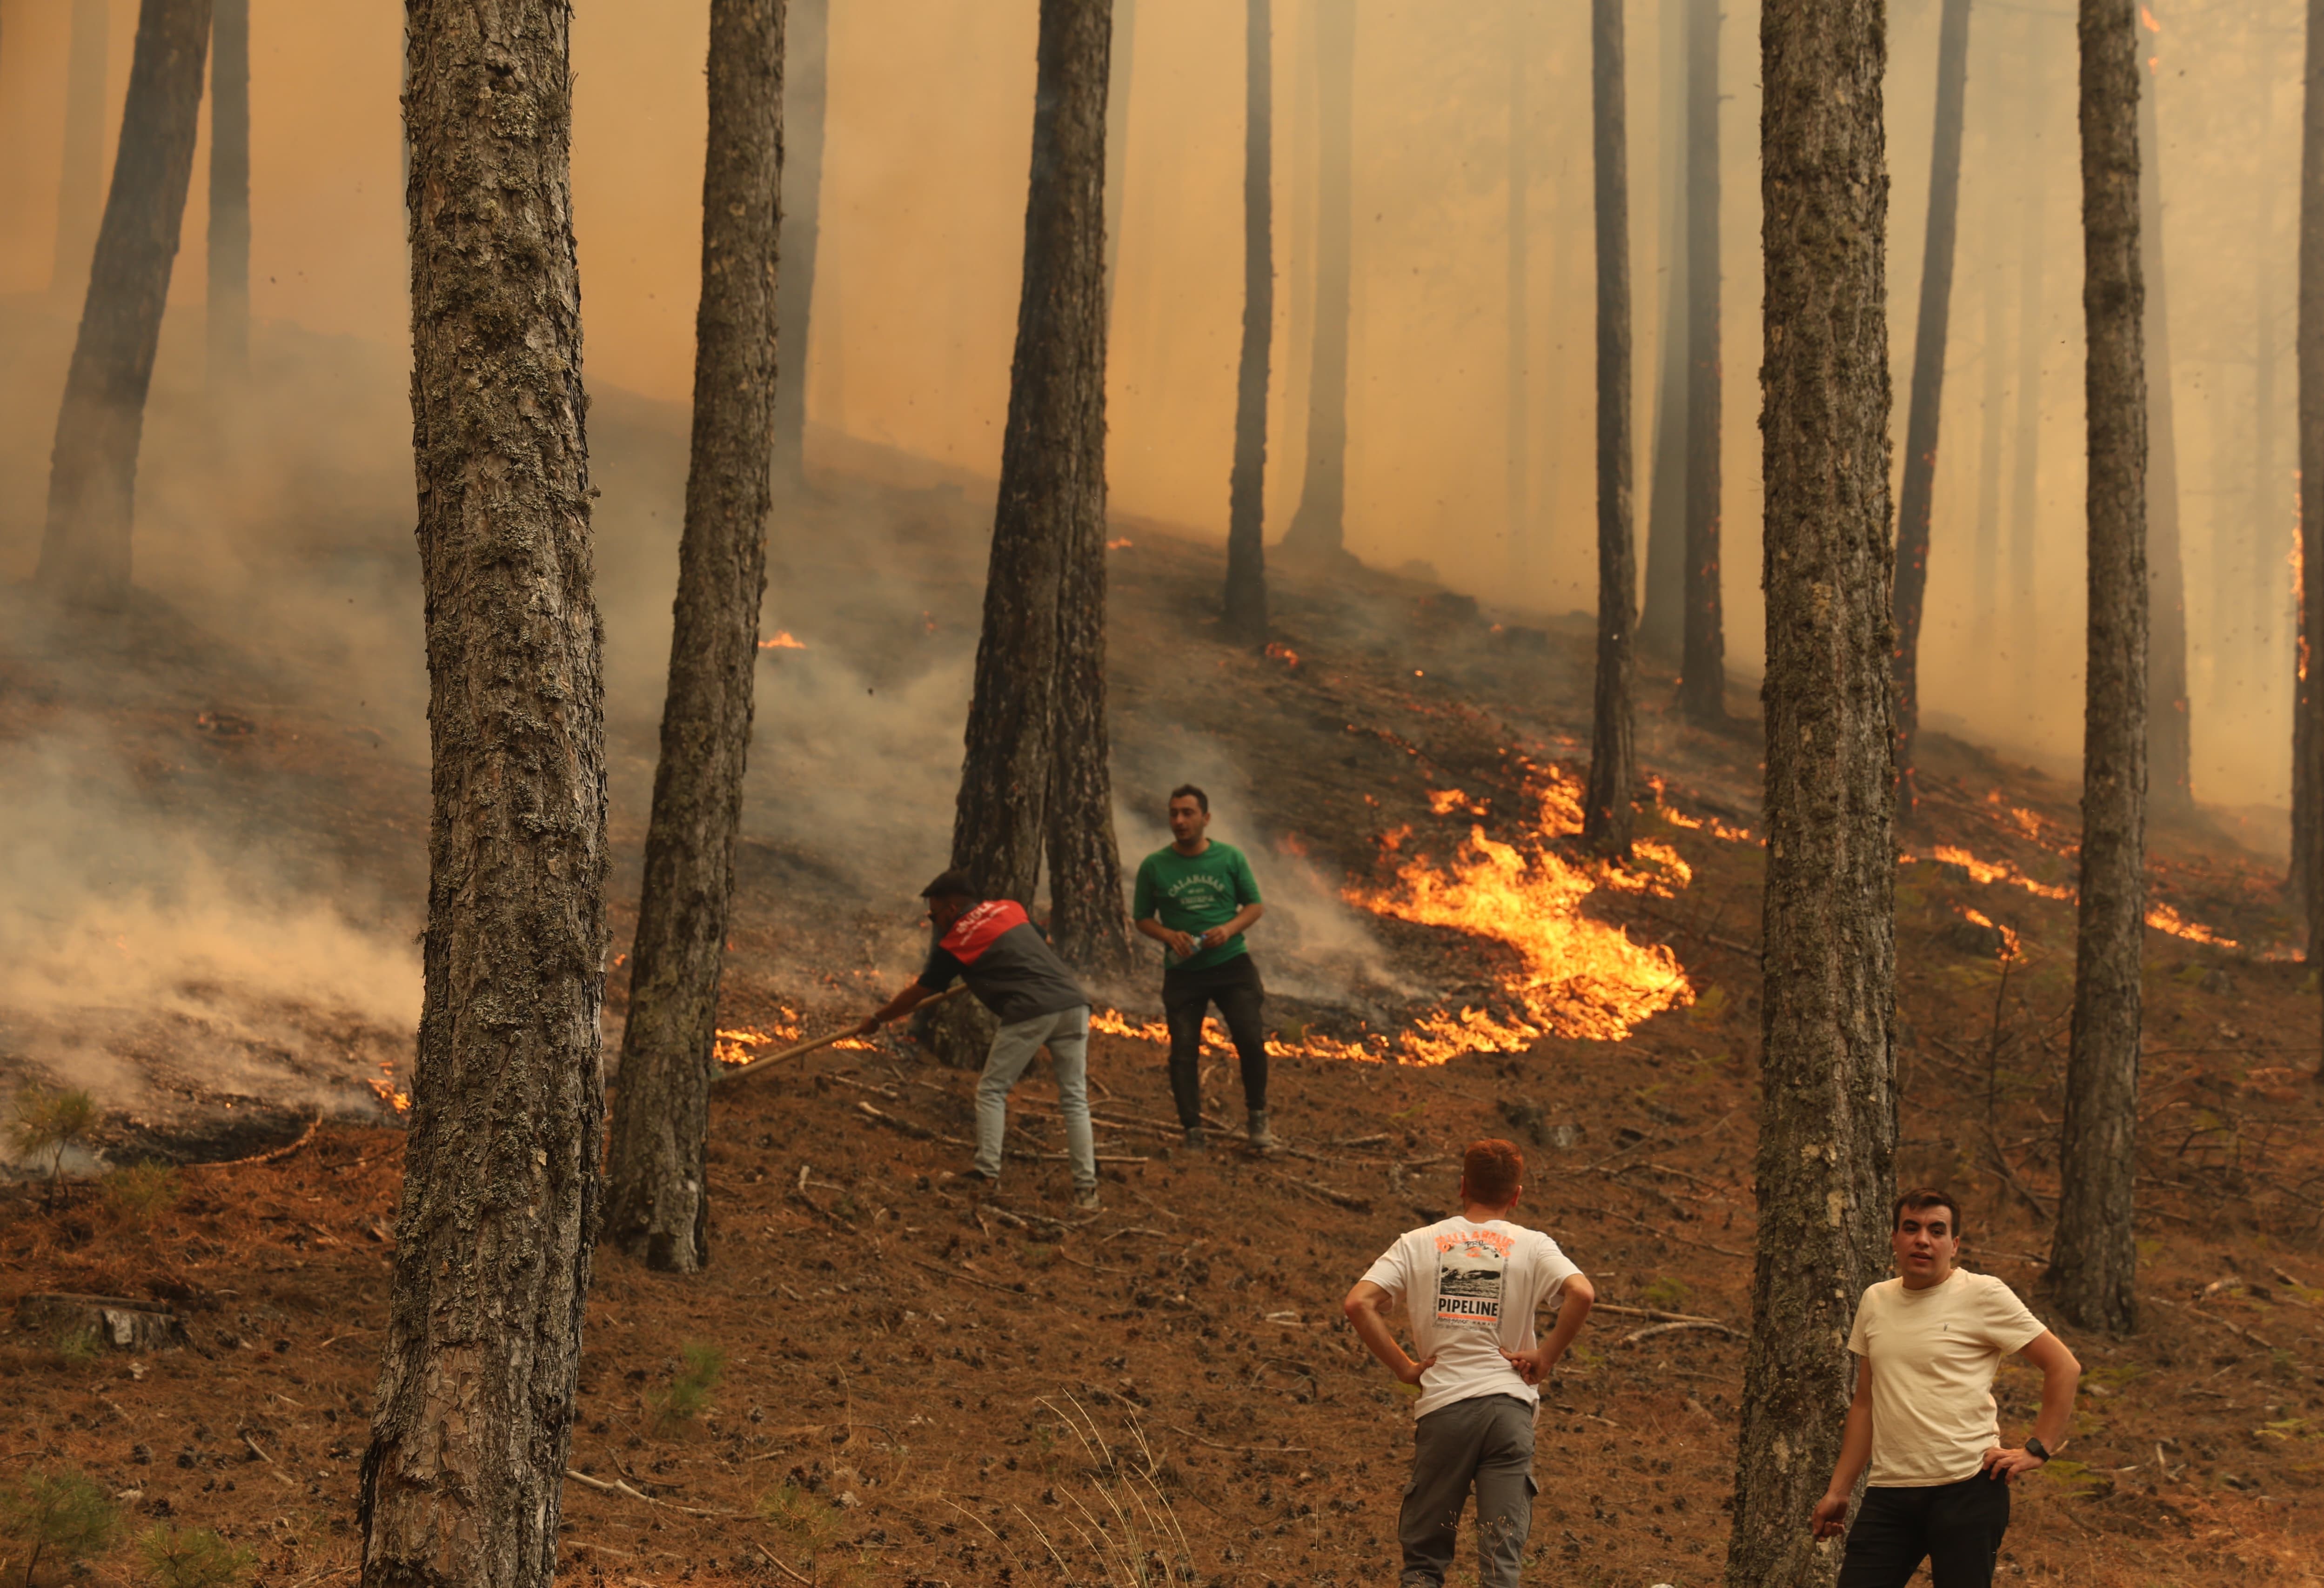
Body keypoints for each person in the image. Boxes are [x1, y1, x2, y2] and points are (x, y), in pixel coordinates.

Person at [1343, 1139, 1595, 1588]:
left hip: (1446, 1412)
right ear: (1516, 1194)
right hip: (1509, 1411)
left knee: (1423, 1562)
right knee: (1500, 1563)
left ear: (1462, 1187)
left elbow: (1359, 1303)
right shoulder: (1534, 1245)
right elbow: (1582, 1293)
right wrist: (1546, 1356)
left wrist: (1404, 1367)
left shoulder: (1416, 1243)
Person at [1811, 1189, 2082, 1587]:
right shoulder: (1875, 1300)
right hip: (1889, 1492)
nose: (1923, 1239)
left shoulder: (1983, 1294)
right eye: (1911, 1228)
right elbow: (1866, 1403)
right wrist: (1839, 1490)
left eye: (1936, 1230)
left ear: (1953, 1245)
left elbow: (2063, 1365)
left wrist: (2036, 1449)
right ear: (1894, 1238)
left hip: (1968, 1489)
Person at [853, 871, 1100, 1212]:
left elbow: (918, 992)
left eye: (933, 914)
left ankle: (986, 1175)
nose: (933, 921)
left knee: (992, 1090)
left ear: (951, 909)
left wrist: (877, 1019)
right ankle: (1086, 1192)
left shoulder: (957, 941)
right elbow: (1037, 941)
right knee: (1074, 1098)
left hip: (1031, 1009)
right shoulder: (1010, 909)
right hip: (1073, 1003)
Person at [1131, 784, 1272, 1151]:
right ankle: (1192, 1129)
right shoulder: (1155, 865)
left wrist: (1227, 929)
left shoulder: (1229, 858)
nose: (1179, 820)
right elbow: (1142, 918)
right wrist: (1168, 935)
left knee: (1250, 1039)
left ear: (1205, 818)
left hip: (1231, 965)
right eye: (1174, 813)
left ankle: (1258, 1118)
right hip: (1183, 971)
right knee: (1183, 1051)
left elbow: (1254, 906)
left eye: (1187, 813)